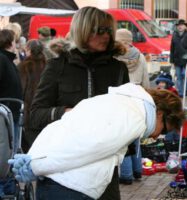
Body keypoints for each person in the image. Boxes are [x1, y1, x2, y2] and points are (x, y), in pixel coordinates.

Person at [8, 83, 185, 200]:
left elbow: (59, 128)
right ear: (160, 114)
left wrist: (35, 160)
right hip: (72, 188)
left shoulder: (115, 102)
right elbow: (88, 148)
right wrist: (37, 165)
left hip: (58, 182)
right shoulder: (135, 118)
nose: (156, 136)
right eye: (164, 130)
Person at [27, 7, 130, 200]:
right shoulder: (58, 66)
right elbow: (35, 115)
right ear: (83, 30)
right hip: (63, 174)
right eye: (99, 30)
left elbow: (127, 116)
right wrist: (67, 112)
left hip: (104, 175)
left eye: (108, 30)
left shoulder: (118, 69)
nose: (106, 36)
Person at [115, 28, 150, 185]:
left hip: (120, 98)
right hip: (137, 98)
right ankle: (137, 170)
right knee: (135, 136)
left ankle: (126, 174)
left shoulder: (115, 57)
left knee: (123, 138)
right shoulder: (140, 56)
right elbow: (146, 80)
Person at [18, 39, 46, 152]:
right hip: (45, 110)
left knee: (31, 146)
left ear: (28, 50)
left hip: (30, 111)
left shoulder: (24, 66)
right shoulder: (48, 64)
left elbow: (20, 89)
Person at [0, 29, 23, 150]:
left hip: (11, 112)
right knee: (7, 151)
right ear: (9, 42)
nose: (16, 44)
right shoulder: (2, 59)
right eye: (15, 41)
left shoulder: (7, 59)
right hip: (5, 114)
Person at [170, 19, 187, 98]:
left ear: (185, 26)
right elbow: (172, 48)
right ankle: (181, 93)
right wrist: (171, 60)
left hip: (186, 60)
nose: (180, 26)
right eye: (178, 25)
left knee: (185, 75)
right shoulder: (174, 35)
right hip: (177, 60)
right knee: (179, 77)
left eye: (182, 25)